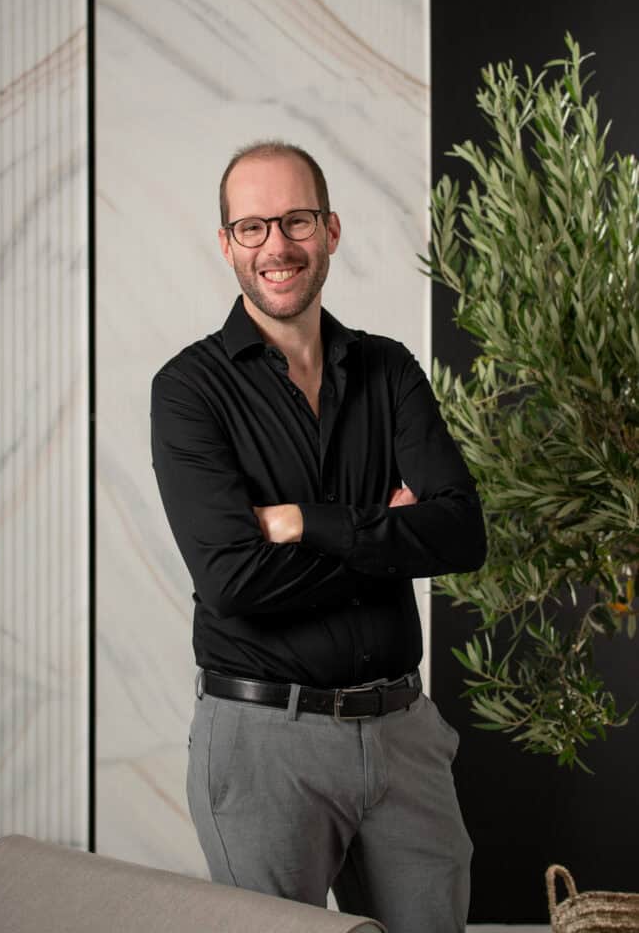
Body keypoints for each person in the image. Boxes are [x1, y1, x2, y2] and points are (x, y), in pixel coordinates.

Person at [150, 141, 487, 933]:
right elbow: (234, 582)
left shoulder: (388, 370)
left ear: (330, 229)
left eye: (296, 220)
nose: (277, 245)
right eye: (253, 226)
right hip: (264, 743)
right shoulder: (189, 390)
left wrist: (304, 522)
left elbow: (460, 534)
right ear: (227, 244)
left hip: (403, 735)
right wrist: (390, 535)